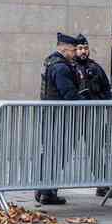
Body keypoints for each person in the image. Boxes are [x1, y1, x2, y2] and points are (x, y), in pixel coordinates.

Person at [36, 32, 82, 205]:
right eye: (72, 50)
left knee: (50, 152)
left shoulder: (50, 61)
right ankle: (47, 192)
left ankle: (43, 189)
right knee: (58, 153)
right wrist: (85, 103)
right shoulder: (61, 67)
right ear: (64, 48)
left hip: (51, 115)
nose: (74, 53)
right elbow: (69, 93)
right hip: (59, 116)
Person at [74, 34, 112, 197]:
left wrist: (100, 101)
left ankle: (102, 184)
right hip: (73, 116)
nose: (83, 51)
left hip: (93, 115)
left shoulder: (95, 68)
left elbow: (106, 90)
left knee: (96, 150)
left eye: (85, 48)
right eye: (80, 48)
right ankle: (48, 189)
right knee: (63, 152)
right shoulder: (70, 67)